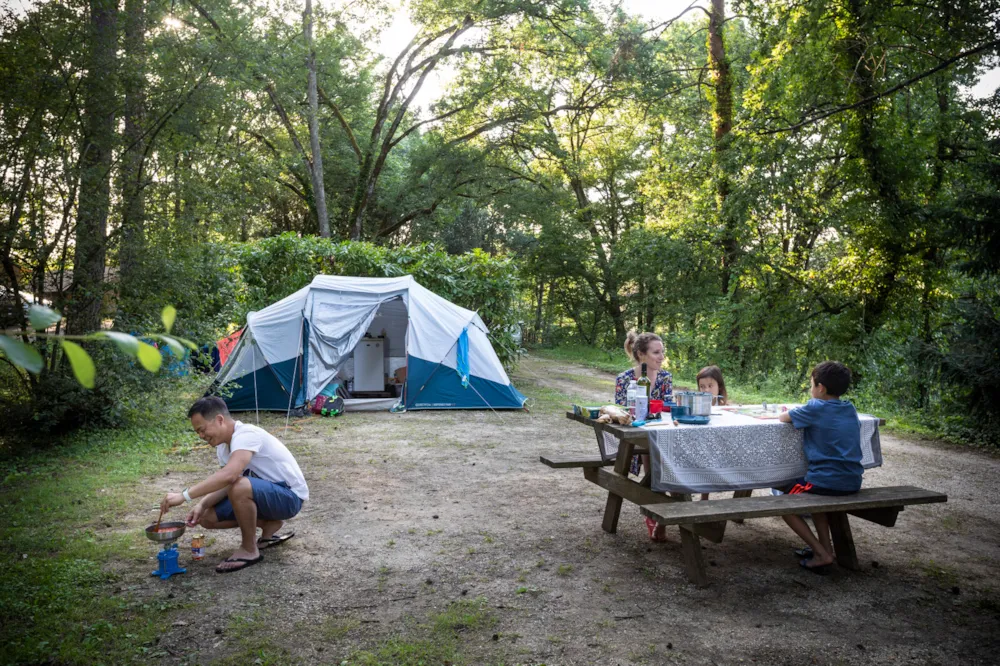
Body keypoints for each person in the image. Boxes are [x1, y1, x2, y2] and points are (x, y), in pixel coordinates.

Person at [159, 397, 309, 573]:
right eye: (197, 432)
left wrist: (183, 496)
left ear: (219, 420)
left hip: (289, 498)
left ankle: (249, 549)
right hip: (265, 496)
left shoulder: (246, 434)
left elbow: (230, 476)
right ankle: (268, 524)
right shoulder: (223, 448)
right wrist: (202, 504)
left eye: (202, 429)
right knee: (206, 516)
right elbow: (226, 483)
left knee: (239, 487)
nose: (201, 436)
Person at [777, 361, 863, 574]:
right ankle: (824, 548)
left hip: (826, 481)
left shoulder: (815, 407)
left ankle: (822, 553)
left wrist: (796, 409)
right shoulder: (849, 408)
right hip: (852, 480)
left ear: (820, 388)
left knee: (783, 502)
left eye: (811, 385)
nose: (810, 389)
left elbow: (783, 417)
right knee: (815, 498)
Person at [615, 331, 673, 541]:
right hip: (634, 437)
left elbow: (668, 409)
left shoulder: (665, 377)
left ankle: (659, 513)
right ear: (641, 354)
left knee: (668, 458)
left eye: (662, 352)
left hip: (661, 433)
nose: (661, 357)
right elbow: (621, 414)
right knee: (654, 457)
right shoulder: (625, 379)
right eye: (656, 352)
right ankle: (658, 514)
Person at [696, 365, 729, 500]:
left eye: (710, 386)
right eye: (702, 387)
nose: (706, 390)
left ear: (719, 387)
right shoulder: (695, 405)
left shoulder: (724, 408)